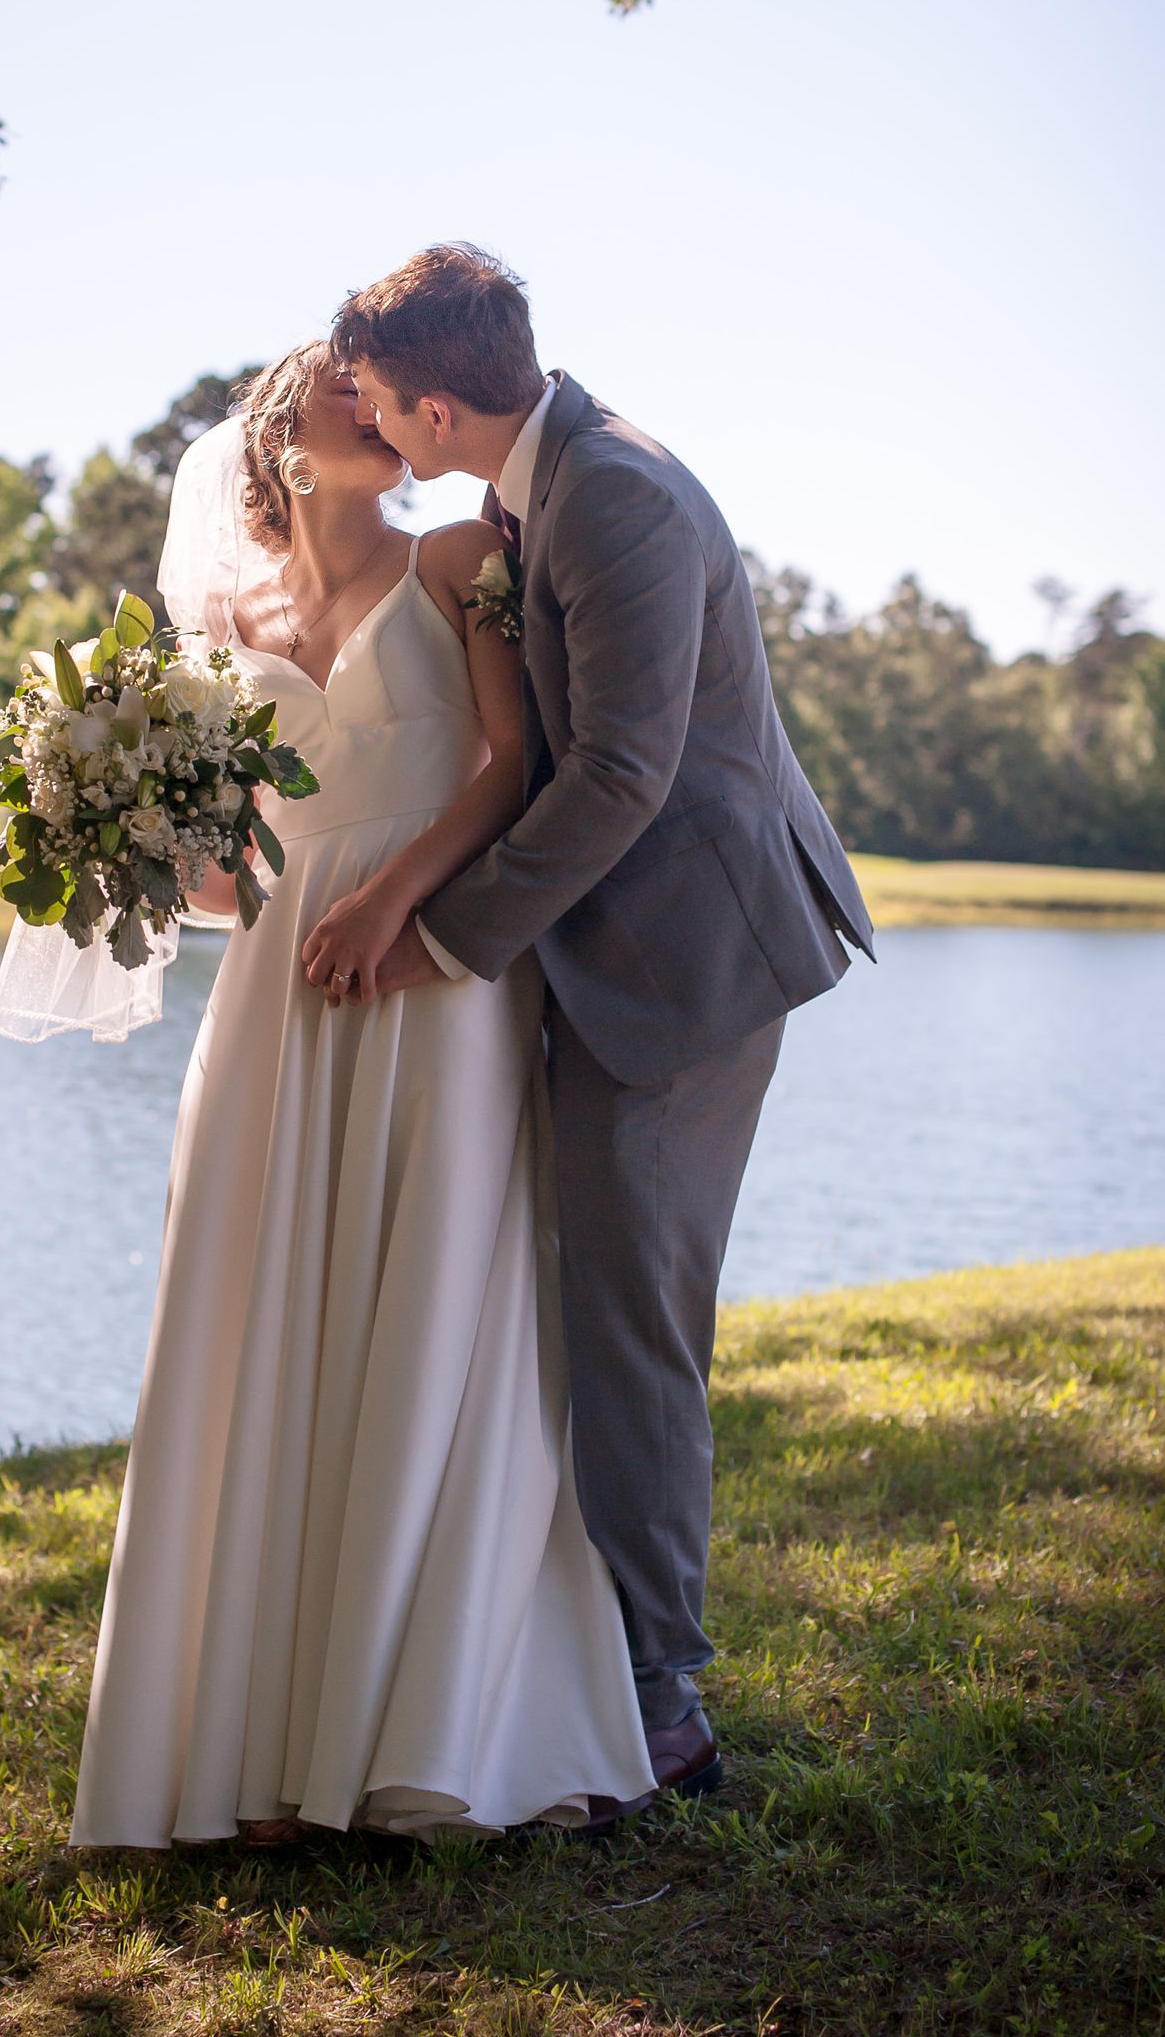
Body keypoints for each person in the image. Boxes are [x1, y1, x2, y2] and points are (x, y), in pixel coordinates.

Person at [305, 243, 873, 1816]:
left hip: (686, 960)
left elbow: (620, 774)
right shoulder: (532, 490)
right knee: (599, 1300)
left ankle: (662, 1702)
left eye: (374, 399)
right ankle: (591, 1651)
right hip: (624, 942)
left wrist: (439, 936)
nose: (369, 424)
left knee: (634, 1315)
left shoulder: (613, 492)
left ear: (431, 399)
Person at [67, 340, 656, 1846]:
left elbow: (513, 765)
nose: (385, 409)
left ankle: (416, 1738)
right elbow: (222, 864)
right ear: (287, 428)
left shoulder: (461, 553)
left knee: (437, 1292)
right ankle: (260, 1747)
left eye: (390, 394)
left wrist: (395, 902)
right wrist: (108, 821)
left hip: (434, 966)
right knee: (267, 1312)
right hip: (279, 982)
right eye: (353, 390)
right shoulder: (218, 617)